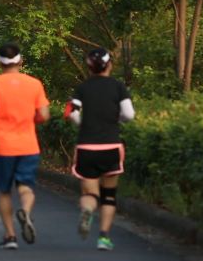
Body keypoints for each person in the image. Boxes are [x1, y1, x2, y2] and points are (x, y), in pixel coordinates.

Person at [0, 42, 50, 250]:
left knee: (4, 191)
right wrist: (32, 118)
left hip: (3, 146)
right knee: (26, 187)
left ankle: (10, 236)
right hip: (28, 145)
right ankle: (26, 212)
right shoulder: (34, 84)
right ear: (20, 61)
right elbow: (44, 115)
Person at [63, 47, 135, 251]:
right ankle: (104, 237)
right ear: (109, 64)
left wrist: (84, 124)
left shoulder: (82, 88)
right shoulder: (118, 87)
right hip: (111, 145)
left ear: (89, 67)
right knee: (109, 195)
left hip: (87, 147)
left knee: (90, 193)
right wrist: (114, 120)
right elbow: (129, 114)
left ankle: (87, 210)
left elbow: (73, 114)